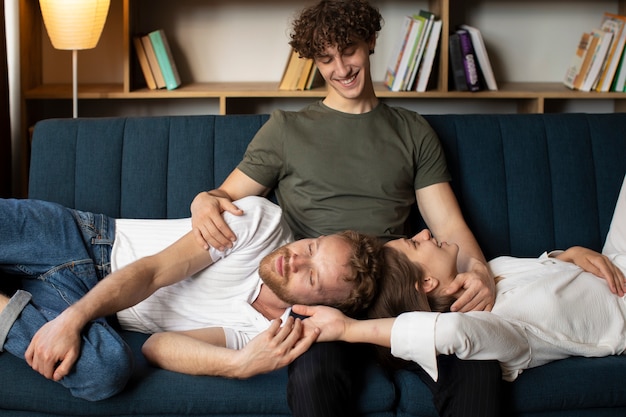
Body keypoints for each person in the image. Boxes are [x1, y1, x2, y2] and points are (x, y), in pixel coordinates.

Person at [189, 1, 501, 416]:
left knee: (476, 364)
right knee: (315, 373)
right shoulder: (286, 130)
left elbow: (449, 225)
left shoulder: (412, 130)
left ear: (370, 42)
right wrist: (201, 199)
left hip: (401, 292)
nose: (341, 68)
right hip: (325, 297)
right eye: (326, 58)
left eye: (349, 50)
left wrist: (479, 270)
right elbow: (223, 199)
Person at [0, 196, 385, 401]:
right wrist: (71, 320)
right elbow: (152, 272)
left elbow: (156, 347)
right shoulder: (263, 224)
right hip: (79, 239)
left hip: (88, 310)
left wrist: (238, 364)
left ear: (322, 306)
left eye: (312, 275)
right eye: (313, 245)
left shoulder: (268, 335)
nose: (294, 259)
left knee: (106, 371)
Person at [293, 175, 626, 384]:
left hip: (614, 258)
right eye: (415, 243)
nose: (425, 232)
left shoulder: (487, 271)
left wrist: (568, 253)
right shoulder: (492, 329)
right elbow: (450, 331)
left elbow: (545, 270)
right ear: (425, 284)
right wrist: (349, 330)